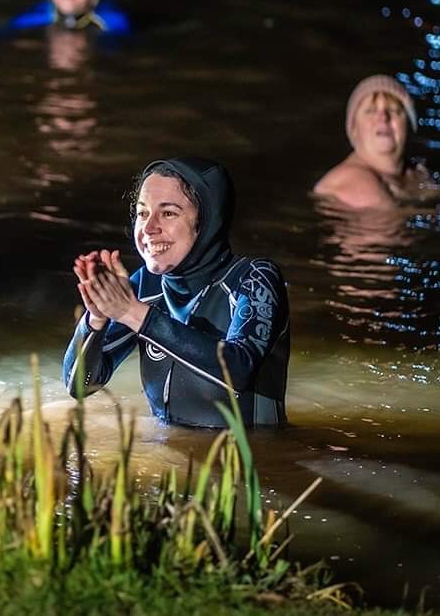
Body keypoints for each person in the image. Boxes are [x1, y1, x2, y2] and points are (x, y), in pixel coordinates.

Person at [62, 157, 289, 428]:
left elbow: (238, 372)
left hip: (253, 459)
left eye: (168, 213)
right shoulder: (147, 285)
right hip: (171, 459)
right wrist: (96, 318)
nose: (148, 229)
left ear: (206, 221)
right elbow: (79, 387)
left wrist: (134, 314)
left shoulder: (254, 278)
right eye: (143, 213)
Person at [313, 75, 434, 210]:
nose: (383, 118)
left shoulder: (415, 174)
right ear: (354, 129)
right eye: (370, 111)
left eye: (394, 110)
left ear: (408, 126)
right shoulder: (353, 179)